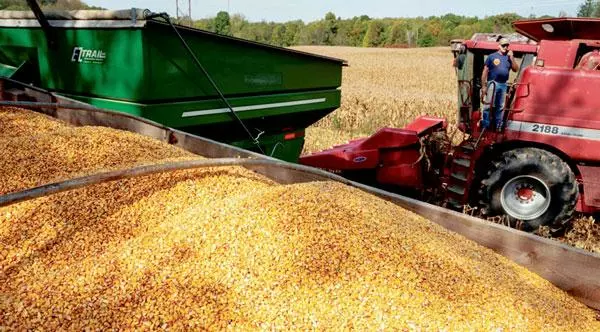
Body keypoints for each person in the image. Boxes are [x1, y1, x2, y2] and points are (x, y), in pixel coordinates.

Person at [480, 37, 519, 130]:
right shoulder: (492, 56)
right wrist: (484, 86)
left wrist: (512, 57)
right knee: (488, 105)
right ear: (498, 46)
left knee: (500, 106)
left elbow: (515, 69)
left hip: (503, 84)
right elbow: (485, 71)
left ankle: (498, 125)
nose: (505, 47)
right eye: (503, 45)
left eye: (507, 45)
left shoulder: (509, 58)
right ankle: (485, 125)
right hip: (492, 83)